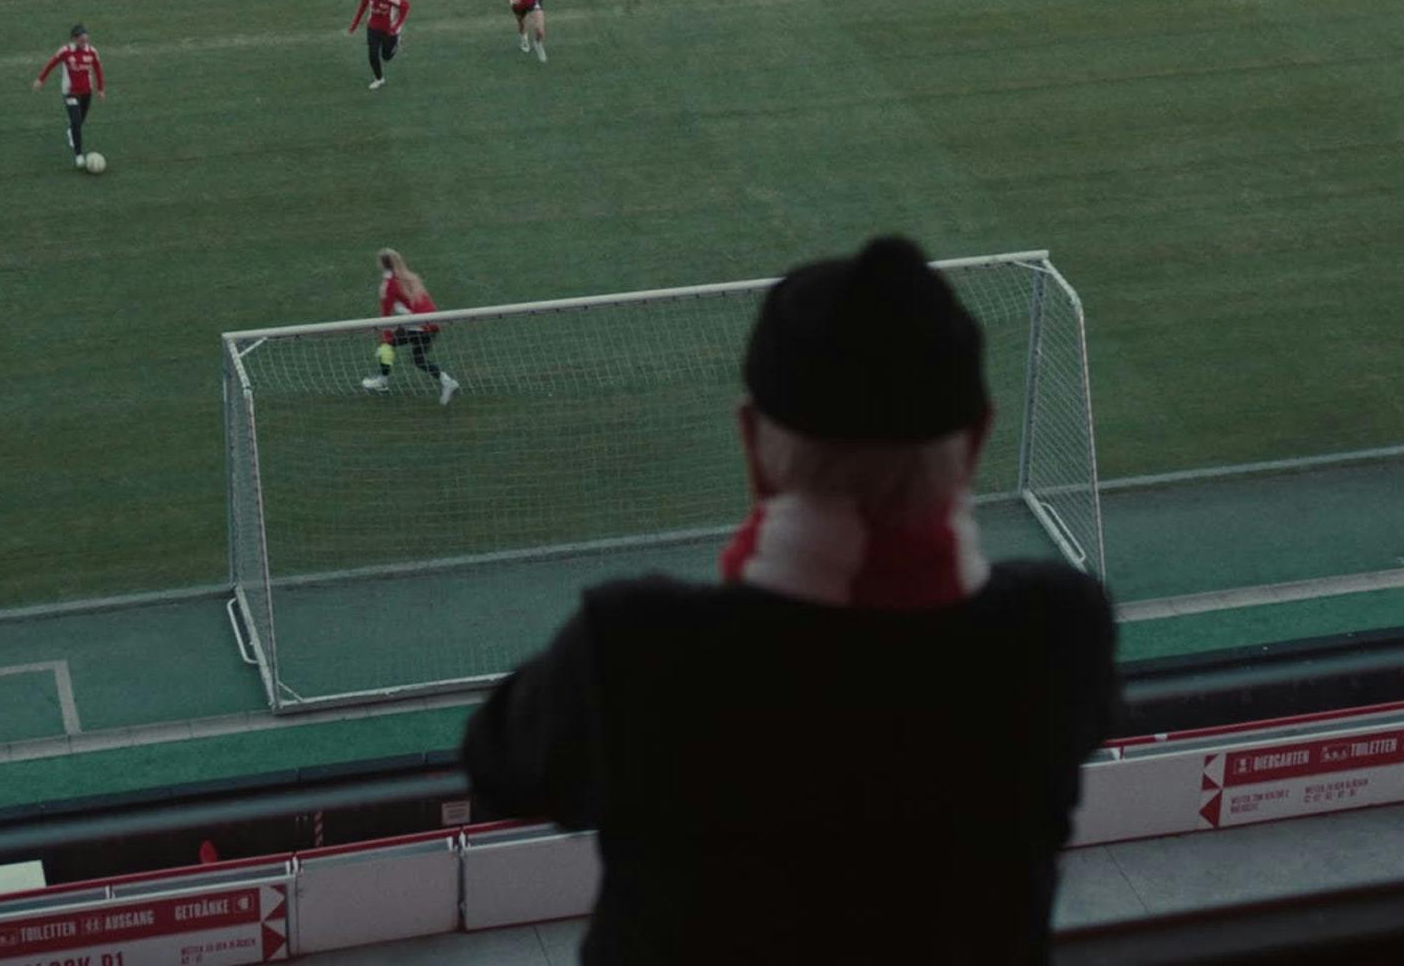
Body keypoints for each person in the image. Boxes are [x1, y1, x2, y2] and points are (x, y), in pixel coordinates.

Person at [462, 236, 1116, 965]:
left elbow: (500, 767)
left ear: (751, 444)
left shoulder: (635, 650)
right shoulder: (1058, 633)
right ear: (978, 440)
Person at [361, 248, 462, 405]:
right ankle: (447, 381)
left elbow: (386, 314)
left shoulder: (389, 286)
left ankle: (382, 381)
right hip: (432, 323)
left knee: (386, 345)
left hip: (420, 327)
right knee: (418, 359)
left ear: (382, 265)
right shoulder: (410, 278)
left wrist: (386, 335)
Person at [32, 24, 106, 169]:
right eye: (81, 40)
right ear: (74, 39)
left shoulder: (92, 52)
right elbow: (52, 63)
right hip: (70, 92)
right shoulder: (66, 51)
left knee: (80, 121)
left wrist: (101, 89)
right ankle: (79, 155)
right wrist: (41, 79)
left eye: (86, 39)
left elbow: (98, 68)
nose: (84, 42)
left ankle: (71, 131)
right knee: (76, 121)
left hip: (86, 92)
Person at [347, 0, 412, 90]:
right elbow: (362, 8)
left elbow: (406, 6)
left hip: (389, 31)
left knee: (386, 56)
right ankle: (379, 79)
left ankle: (396, 42)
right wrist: (355, 24)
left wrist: (397, 27)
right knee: (372, 54)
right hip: (373, 29)